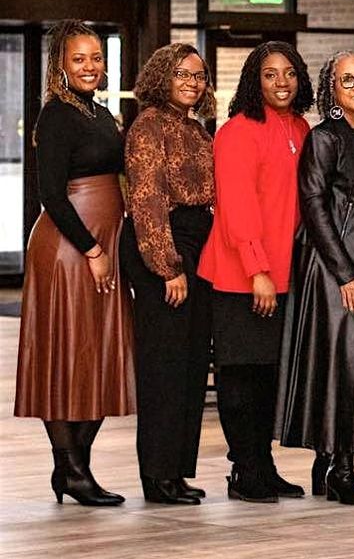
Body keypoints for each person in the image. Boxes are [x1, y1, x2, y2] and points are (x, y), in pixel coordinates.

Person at [15, 20, 135, 506]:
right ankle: (72, 467)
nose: (90, 67)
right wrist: (92, 250)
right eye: (79, 59)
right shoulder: (56, 116)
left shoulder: (99, 112)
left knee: (100, 352)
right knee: (64, 354)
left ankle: (71, 467)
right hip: (70, 249)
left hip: (103, 242)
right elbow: (50, 195)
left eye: (96, 58)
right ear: (60, 65)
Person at [198, 41, 312, 503]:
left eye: (289, 73)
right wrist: (257, 270)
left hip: (286, 274)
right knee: (241, 376)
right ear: (254, 80)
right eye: (270, 74)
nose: (281, 82)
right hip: (240, 275)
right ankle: (244, 470)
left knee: (269, 377)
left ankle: (262, 465)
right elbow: (237, 206)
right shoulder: (237, 133)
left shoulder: (301, 127)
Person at [276, 51, 354, 505]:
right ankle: (339, 470)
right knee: (347, 363)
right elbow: (314, 204)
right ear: (332, 88)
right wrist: (343, 272)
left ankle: (329, 465)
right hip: (332, 268)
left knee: (343, 365)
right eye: (348, 80)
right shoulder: (324, 136)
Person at [120, 44, 216, 505]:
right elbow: (147, 200)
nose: (192, 83)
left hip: (197, 243)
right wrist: (167, 266)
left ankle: (176, 471)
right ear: (162, 76)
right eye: (182, 74)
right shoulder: (149, 125)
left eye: (198, 75)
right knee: (164, 367)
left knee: (191, 364)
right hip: (162, 246)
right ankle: (157, 476)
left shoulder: (196, 128)